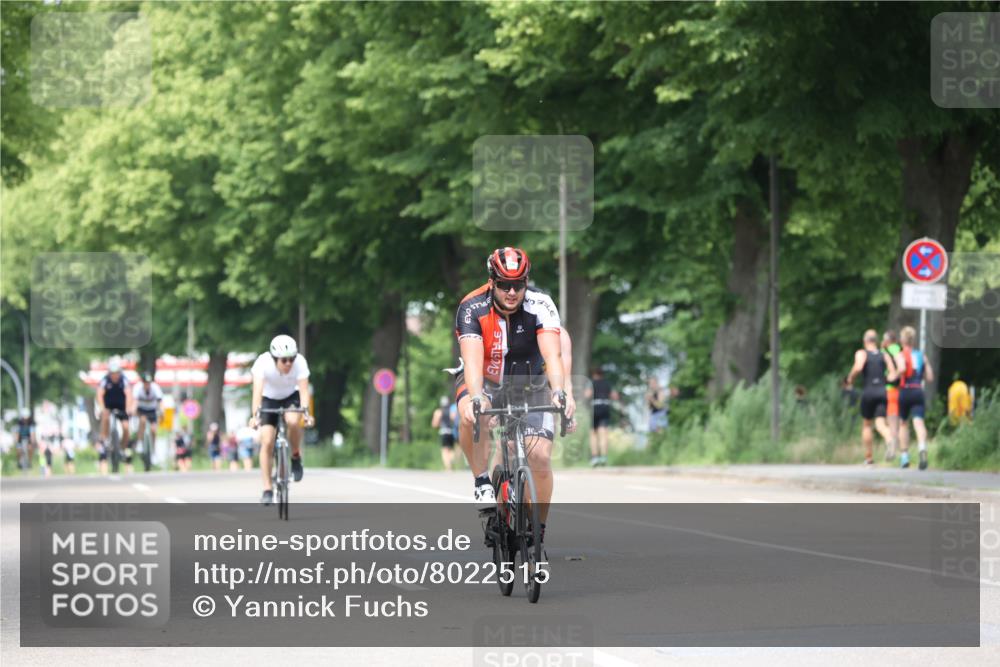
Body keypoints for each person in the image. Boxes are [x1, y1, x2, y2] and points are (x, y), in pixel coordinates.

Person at [453, 247, 574, 546]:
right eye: (504, 285)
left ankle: (538, 529)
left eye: (518, 284)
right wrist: (477, 398)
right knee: (469, 411)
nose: (511, 292)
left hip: (529, 382)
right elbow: (471, 361)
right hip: (485, 377)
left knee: (540, 457)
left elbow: (552, 355)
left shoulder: (541, 304)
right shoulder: (471, 307)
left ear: (526, 282)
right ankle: (482, 480)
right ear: (492, 281)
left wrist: (560, 392)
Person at [249, 334, 314, 505]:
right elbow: (257, 392)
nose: (288, 364)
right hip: (268, 398)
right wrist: (255, 416)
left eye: (291, 359)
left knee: (293, 421)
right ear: (274, 358)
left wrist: (306, 414)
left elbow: (304, 391)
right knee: (267, 440)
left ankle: (295, 455)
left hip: (290, 396)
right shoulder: (262, 363)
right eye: (284, 360)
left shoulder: (300, 362)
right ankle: (267, 488)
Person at [846, 329, 897, 465]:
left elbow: (858, 367)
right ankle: (890, 439)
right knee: (880, 424)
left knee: (867, 424)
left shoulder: (862, 353)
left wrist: (850, 378)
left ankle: (868, 457)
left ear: (865, 341)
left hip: (868, 391)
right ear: (876, 341)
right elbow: (893, 373)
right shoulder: (884, 355)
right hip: (882, 391)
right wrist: (886, 379)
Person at [894, 326, 934, 470]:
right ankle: (922, 448)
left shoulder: (900, 354)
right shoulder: (921, 355)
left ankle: (904, 457)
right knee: (919, 422)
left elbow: (902, 369)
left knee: (903, 423)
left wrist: (893, 376)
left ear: (902, 339)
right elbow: (929, 377)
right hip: (918, 390)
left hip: (905, 391)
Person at [96, 358, 134, 471]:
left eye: (116, 373)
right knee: (105, 416)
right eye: (112, 373)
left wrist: (128, 408)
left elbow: (129, 395)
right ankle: (105, 439)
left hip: (122, 406)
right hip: (109, 405)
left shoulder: (124, 380)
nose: (114, 376)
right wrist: (102, 408)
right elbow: (99, 394)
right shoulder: (105, 380)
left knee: (126, 427)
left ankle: (122, 447)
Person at [584, 367, 619, 466]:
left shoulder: (591, 383)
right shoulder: (607, 383)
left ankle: (595, 458)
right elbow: (615, 396)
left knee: (593, 434)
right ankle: (603, 458)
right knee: (604, 434)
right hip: (605, 407)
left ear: (594, 374)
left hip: (595, 408)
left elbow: (587, 395)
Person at [134, 372, 163, 467]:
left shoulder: (156, 388)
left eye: (149, 383)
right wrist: (132, 411)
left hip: (152, 410)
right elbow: (134, 402)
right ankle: (139, 442)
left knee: (153, 430)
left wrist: (162, 412)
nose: (147, 385)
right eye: (145, 383)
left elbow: (160, 402)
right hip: (142, 410)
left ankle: (153, 451)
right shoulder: (138, 388)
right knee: (142, 421)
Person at [881, 330, 902, 459]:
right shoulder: (900, 348)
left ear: (888, 340)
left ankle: (893, 450)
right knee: (899, 420)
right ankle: (899, 450)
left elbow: (900, 367)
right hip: (901, 389)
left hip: (890, 389)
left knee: (891, 421)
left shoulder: (888, 350)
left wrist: (892, 377)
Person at [431, 396, 458, 471]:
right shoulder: (451, 411)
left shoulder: (438, 412)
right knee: (451, 449)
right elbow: (454, 420)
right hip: (451, 431)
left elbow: (434, 424)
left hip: (443, 431)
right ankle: (451, 461)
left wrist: (438, 423)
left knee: (444, 450)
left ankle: (448, 467)